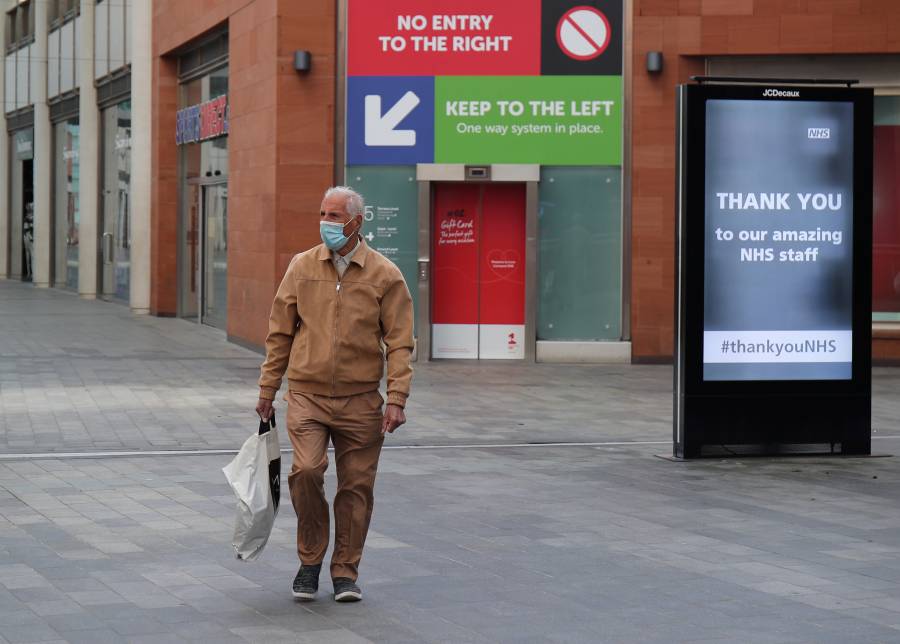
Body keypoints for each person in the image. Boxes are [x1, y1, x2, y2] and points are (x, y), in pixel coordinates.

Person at [256, 186, 414, 603]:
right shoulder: (301, 267)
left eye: (334, 215)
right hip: (307, 395)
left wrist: (396, 397)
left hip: (361, 400)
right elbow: (279, 332)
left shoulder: (385, 274)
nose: (325, 222)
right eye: (322, 213)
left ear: (356, 222)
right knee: (306, 471)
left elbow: (400, 342)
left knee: (356, 487)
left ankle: (345, 571)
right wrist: (268, 387)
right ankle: (309, 562)